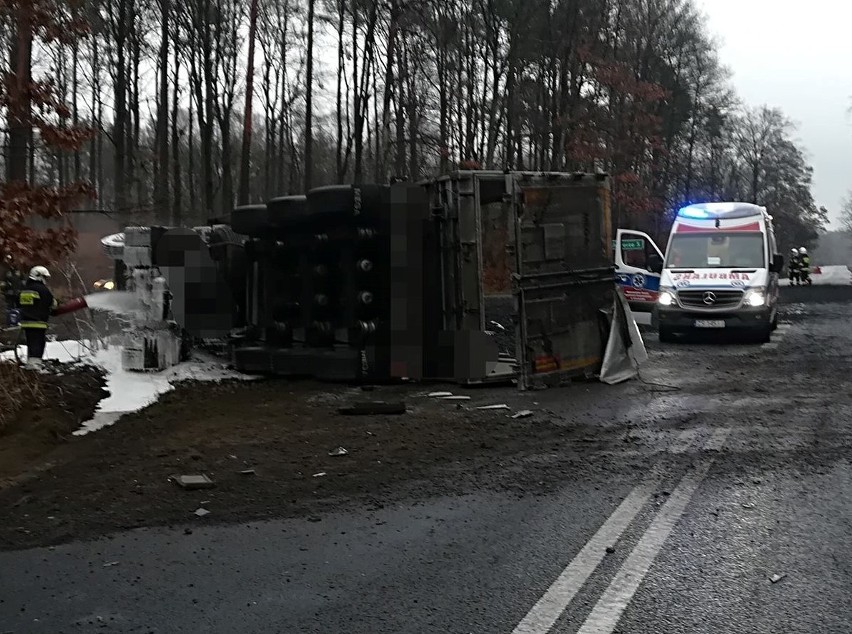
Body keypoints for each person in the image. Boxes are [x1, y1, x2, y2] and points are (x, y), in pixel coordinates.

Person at [18, 265, 58, 369]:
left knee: (31, 342)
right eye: (44, 277)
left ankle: (31, 363)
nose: (45, 280)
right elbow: (52, 304)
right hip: (39, 322)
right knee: (38, 343)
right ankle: (34, 367)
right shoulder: (42, 290)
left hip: (26, 322)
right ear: (38, 276)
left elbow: (18, 303)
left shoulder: (25, 289)